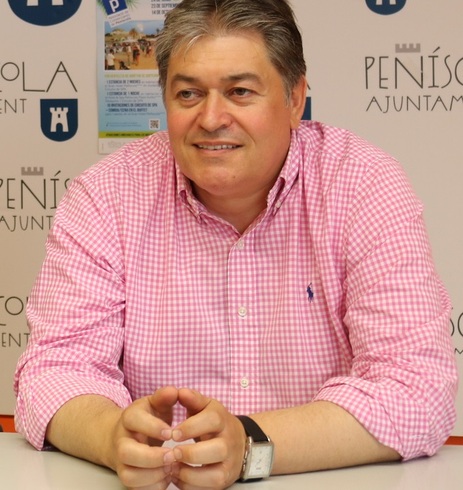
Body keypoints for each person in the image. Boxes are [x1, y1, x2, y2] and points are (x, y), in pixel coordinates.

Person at [14, 1, 457, 489]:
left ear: (295, 98)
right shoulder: (106, 195)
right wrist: (110, 436)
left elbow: (418, 390)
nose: (210, 118)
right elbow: (54, 371)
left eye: (240, 92)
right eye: (188, 94)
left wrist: (248, 445)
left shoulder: (364, 186)